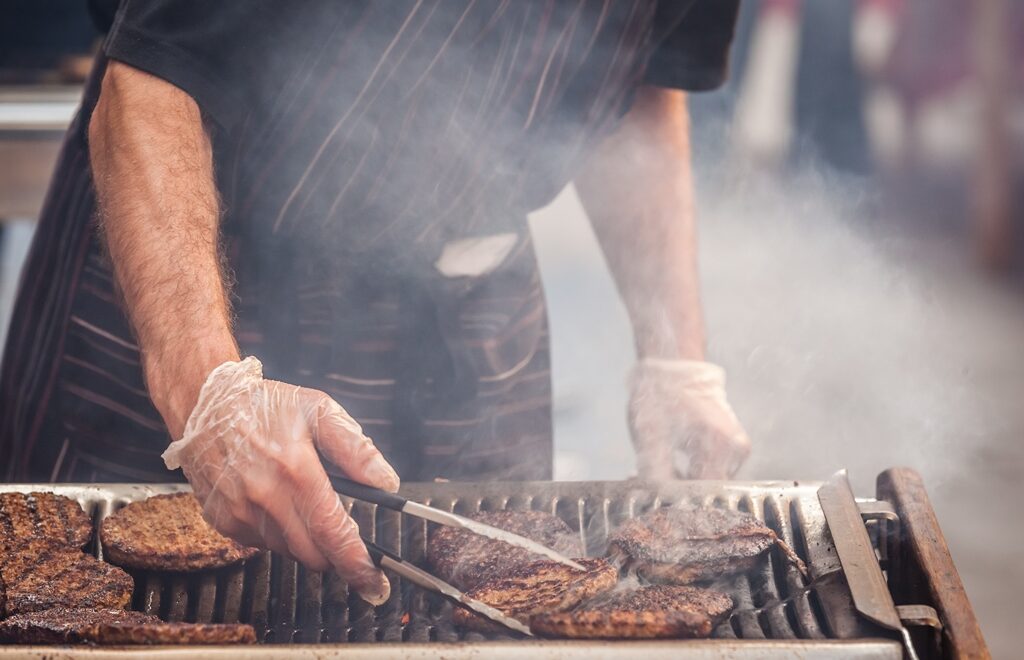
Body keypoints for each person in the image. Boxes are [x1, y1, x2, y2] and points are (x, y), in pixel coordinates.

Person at [0, 1, 749, 603]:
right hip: (208, 280)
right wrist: (211, 398)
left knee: (488, 604)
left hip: (468, 318)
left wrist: (675, 358)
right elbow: (145, 89)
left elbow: (645, 83)